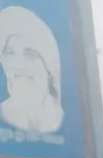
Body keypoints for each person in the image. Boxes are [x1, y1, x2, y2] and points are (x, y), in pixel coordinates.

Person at [0, 6, 64, 134]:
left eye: (30, 54)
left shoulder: (61, 120)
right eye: (9, 53)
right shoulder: (4, 113)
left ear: (49, 68)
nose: (17, 65)